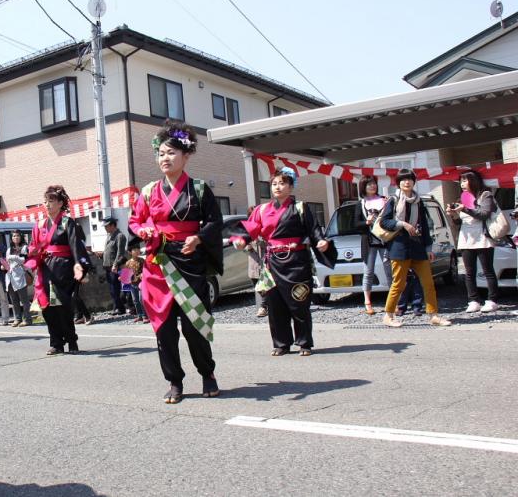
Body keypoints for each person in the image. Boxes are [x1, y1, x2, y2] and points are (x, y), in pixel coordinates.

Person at [129, 121, 223, 404]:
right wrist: (143, 229)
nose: (165, 159)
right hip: (158, 265)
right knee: (165, 330)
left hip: (189, 261)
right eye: (161, 154)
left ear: (186, 155)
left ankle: (207, 374)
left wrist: (198, 237)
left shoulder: (198, 188)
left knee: (194, 326)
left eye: (171, 153)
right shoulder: (147, 192)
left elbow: (215, 222)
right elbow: (135, 220)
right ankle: (174, 380)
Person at [238, 167, 333, 357]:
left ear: (291, 187)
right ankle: (281, 343)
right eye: (274, 184)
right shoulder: (262, 209)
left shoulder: (300, 207)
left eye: (282, 183)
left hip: (297, 261)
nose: (277, 187)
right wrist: (242, 239)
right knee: (275, 304)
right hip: (273, 262)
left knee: (300, 302)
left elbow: (314, 230)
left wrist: (321, 241)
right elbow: (250, 229)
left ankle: (304, 343)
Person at [379, 168, 450, 327]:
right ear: (398, 183)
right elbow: (384, 222)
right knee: (398, 283)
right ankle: (388, 315)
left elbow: (425, 225)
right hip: (399, 247)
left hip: (417, 247)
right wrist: (402, 223)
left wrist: (429, 248)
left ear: (414, 181)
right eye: (403, 179)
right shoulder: (393, 200)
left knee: (428, 282)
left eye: (409, 179)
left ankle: (434, 315)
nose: (406, 182)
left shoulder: (419, 201)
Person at [25, 185, 90, 355]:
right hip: (45, 268)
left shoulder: (68, 222)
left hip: (64, 268)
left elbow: (76, 246)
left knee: (63, 308)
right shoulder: (39, 225)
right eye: (45, 201)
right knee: (47, 308)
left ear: (61, 203)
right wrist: (32, 253)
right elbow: (33, 246)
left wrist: (80, 266)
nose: (47, 204)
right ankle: (56, 343)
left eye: (51, 201)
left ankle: (71, 341)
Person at [445, 170, 499, 313]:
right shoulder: (462, 197)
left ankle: (492, 300)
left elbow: (484, 214)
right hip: (466, 237)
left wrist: (466, 209)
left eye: (465, 180)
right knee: (469, 272)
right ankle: (473, 300)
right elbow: (459, 221)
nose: (462, 184)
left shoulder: (485, 195)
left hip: (483, 237)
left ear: (473, 181)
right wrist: (453, 214)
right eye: (461, 181)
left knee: (488, 270)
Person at [353, 175, 392, 315]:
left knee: (389, 271)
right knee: (368, 272)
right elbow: (356, 225)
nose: (372, 186)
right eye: (369, 184)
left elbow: (391, 218)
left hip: (384, 239)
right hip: (369, 241)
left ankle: (393, 302)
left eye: (374, 183)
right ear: (363, 187)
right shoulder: (361, 203)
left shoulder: (385, 200)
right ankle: (367, 302)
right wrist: (367, 222)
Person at [98, 217, 128, 315]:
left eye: (106, 226)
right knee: (112, 290)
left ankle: (120, 308)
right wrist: (101, 255)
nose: (105, 228)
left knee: (116, 289)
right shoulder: (109, 236)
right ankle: (117, 307)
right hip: (108, 266)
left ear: (112, 225)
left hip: (115, 267)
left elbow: (120, 253)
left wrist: (115, 265)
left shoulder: (120, 236)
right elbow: (109, 251)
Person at [5, 230, 32, 327]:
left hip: (20, 276)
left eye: (17, 236)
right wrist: (4, 266)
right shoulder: (9, 249)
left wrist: (14, 257)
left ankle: (27, 319)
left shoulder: (24, 247)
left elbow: (24, 260)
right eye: (13, 236)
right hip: (10, 276)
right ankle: (17, 318)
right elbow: (7, 262)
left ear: (21, 237)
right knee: (14, 300)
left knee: (24, 300)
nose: (15, 237)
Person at [124, 241, 148, 324]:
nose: (137, 251)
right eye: (134, 249)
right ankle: (139, 315)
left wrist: (142, 273)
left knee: (142, 299)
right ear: (130, 252)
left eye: (138, 249)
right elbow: (126, 276)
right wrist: (123, 277)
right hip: (132, 284)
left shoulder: (142, 260)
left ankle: (145, 316)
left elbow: (146, 270)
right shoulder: (128, 263)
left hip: (141, 283)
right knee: (135, 300)